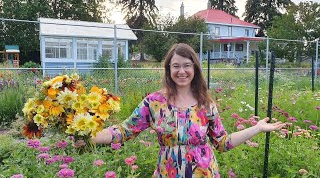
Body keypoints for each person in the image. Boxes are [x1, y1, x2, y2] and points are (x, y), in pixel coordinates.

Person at [76, 43, 285, 177]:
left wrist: (256, 128)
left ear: (195, 69)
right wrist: (89, 136)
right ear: (168, 69)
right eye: (176, 66)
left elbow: (222, 143)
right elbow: (123, 131)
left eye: (187, 65)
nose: (182, 71)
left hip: (205, 173)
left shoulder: (206, 104)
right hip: (168, 173)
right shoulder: (154, 103)